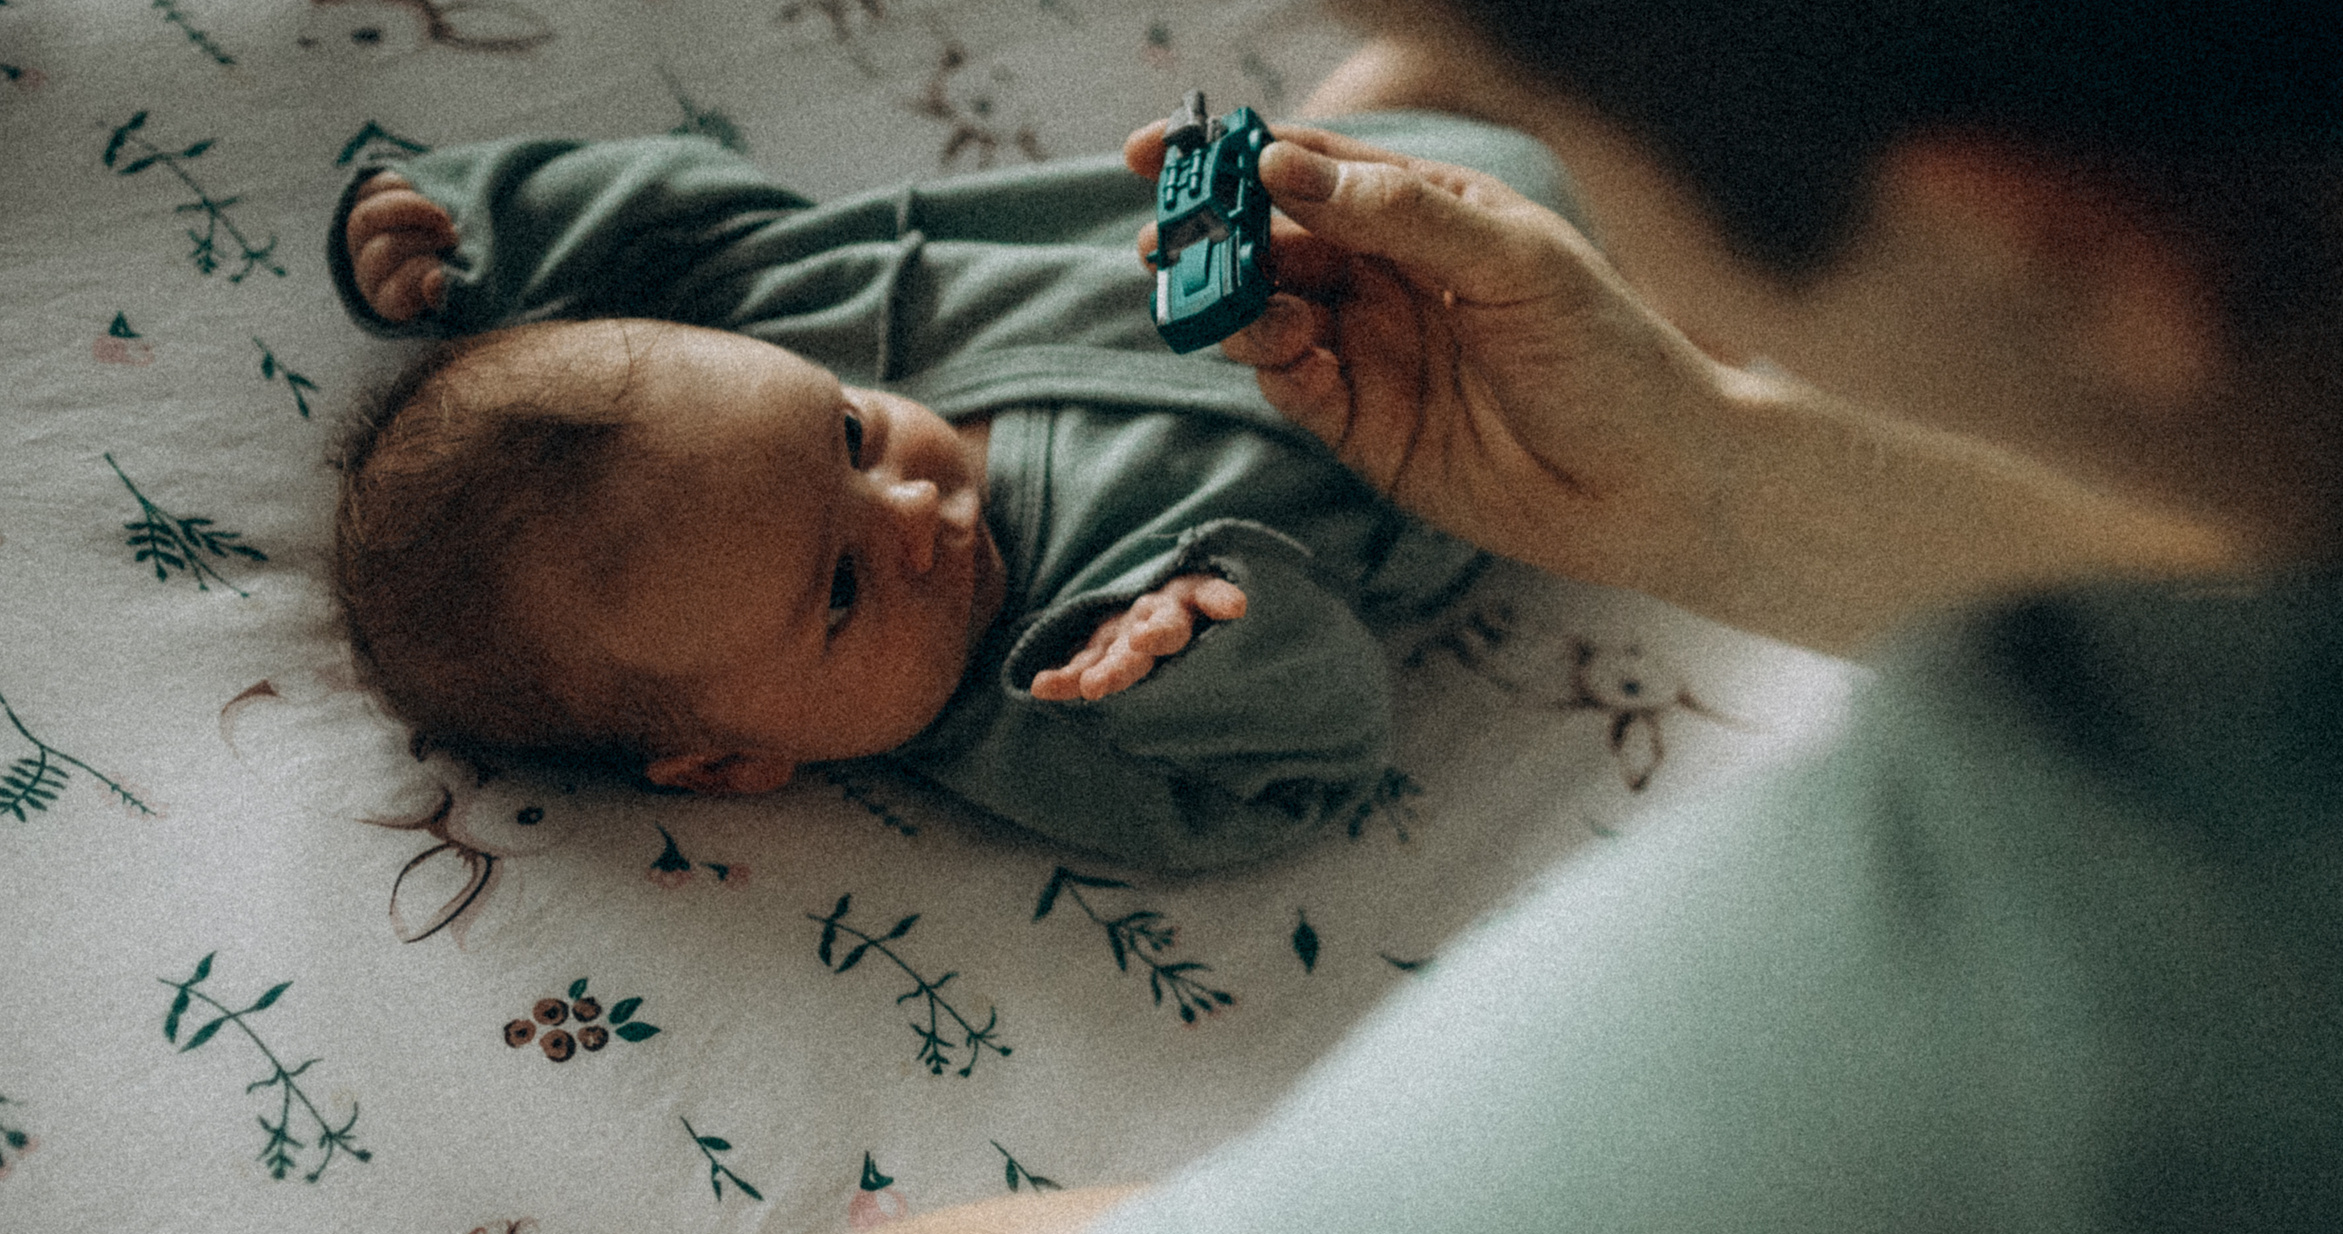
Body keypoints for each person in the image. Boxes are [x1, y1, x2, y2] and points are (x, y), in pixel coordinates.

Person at [714, 0, 2343, 1234]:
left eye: (1501, 86)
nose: (1391, 101)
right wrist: (1707, 486)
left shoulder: (2071, 1039)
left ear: (2063, 241)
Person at [326, 110, 1557, 872]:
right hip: (1528, 410)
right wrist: (1212, 646)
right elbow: (1302, 774)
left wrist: (467, 227)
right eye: (840, 593)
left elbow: (663, 215)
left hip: (1368, 173)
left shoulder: (781, 310)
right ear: (728, 762)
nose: (912, 510)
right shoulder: (1041, 711)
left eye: (851, 434)